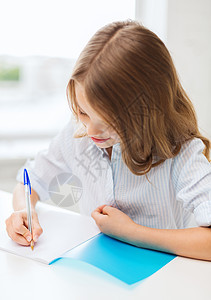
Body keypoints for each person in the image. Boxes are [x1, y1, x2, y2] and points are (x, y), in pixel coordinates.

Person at [5, 20, 211, 261]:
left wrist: (133, 233)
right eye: (83, 112)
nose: (91, 130)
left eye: (107, 122)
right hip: (93, 272)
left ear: (147, 111)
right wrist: (22, 210)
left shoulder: (181, 152)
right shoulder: (79, 134)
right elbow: (29, 181)